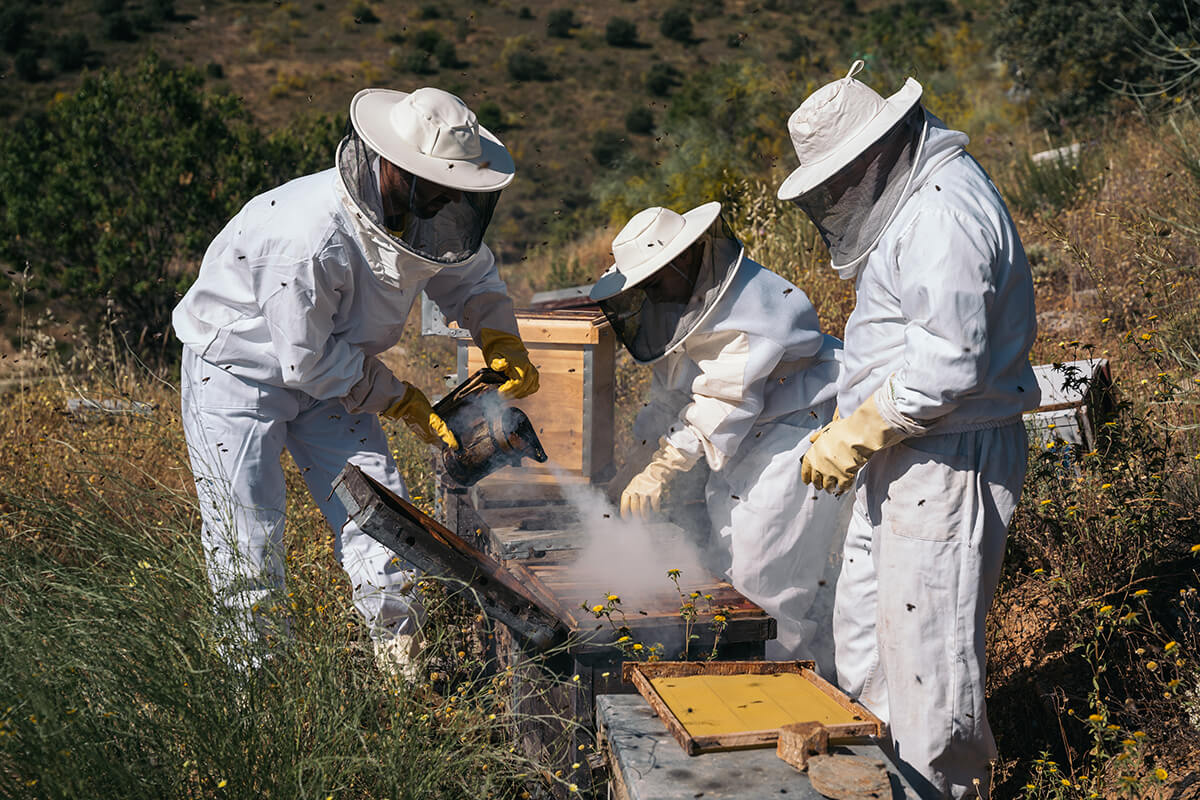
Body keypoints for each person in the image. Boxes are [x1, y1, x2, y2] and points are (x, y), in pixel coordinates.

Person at [173, 87, 539, 671]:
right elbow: (307, 361)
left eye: (458, 191)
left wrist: (500, 336)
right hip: (240, 374)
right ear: (394, 166)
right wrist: (401, 400)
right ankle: (256, 690)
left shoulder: (428, 210)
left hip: (337, 371)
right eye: (439, 185)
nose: (448, 200)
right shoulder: (306, 239)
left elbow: (468, 277)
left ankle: (402, 664)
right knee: (249, 532)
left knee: (381, 514)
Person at [777, 60, 1041, 798]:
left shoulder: (942, 213)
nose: (837, 195)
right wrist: (861, 435)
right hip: (906, 453)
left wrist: (856, 432)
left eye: (839, 177)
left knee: (930, 670)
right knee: (867, 649)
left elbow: (947, 369)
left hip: (947, 461)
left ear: (875, 152)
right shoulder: (914, 206)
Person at [589, 202, 847, 673]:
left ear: (683, 260)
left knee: (763, 588)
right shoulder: (685, 305)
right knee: (729, 564)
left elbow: (720, 404)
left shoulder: (750, 309)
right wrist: (637, 458)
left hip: (796, 434)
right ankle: (773, 681)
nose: (649, 294)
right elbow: (671, 395)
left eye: (653, 281)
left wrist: (663, 468)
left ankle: (786, 690)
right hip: (749, 440)